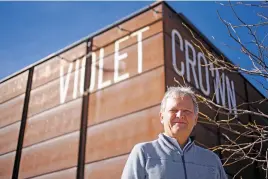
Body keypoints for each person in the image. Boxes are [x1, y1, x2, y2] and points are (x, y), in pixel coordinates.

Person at [121, 86, 227, 179]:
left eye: (187, 111)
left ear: (195, 119)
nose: (180, 115)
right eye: (173, 110)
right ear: (162, 117)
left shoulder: (212, 161)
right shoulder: (143, 153)